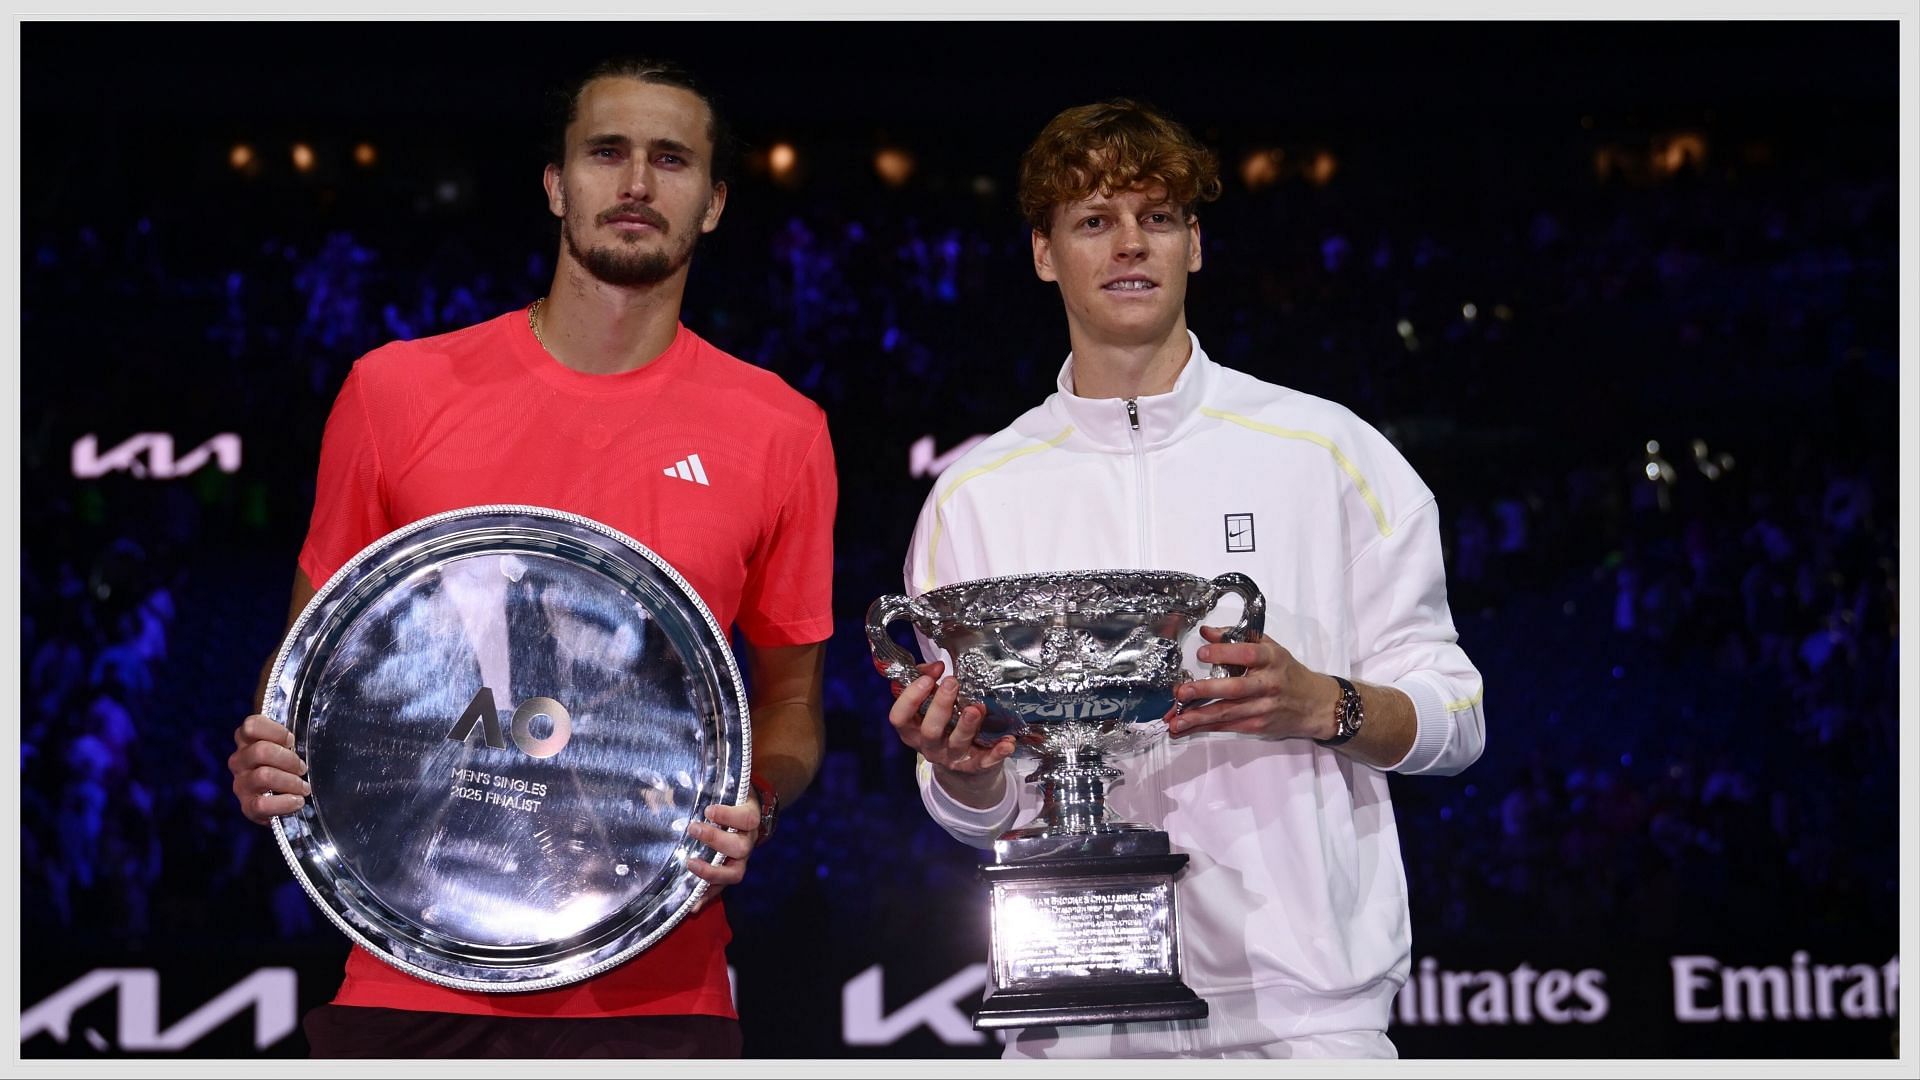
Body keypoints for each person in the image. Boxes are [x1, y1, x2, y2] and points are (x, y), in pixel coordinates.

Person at [227, 57, 836, 1058]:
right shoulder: (396, 393)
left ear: (714, 201)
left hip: (661, 997)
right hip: (406, 978)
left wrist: (756, 798)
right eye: (607, 153)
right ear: (557, 183)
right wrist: (271, 751)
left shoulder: (782, 431)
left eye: (671, 160)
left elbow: (792, 705)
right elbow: (306, 662)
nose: (636, 183)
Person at [885, 99, 1485, 1059]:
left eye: (1156, 218)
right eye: (1094, 221)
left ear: (1194, 244)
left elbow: (1457, 720)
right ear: (1044, 254)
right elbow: (979, 804)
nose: (1131, 244)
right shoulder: (977, 493)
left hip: (1307, 1020)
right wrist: (961, 772)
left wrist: (1318, 703)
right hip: (1070, 1024)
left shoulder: (1328, 452)